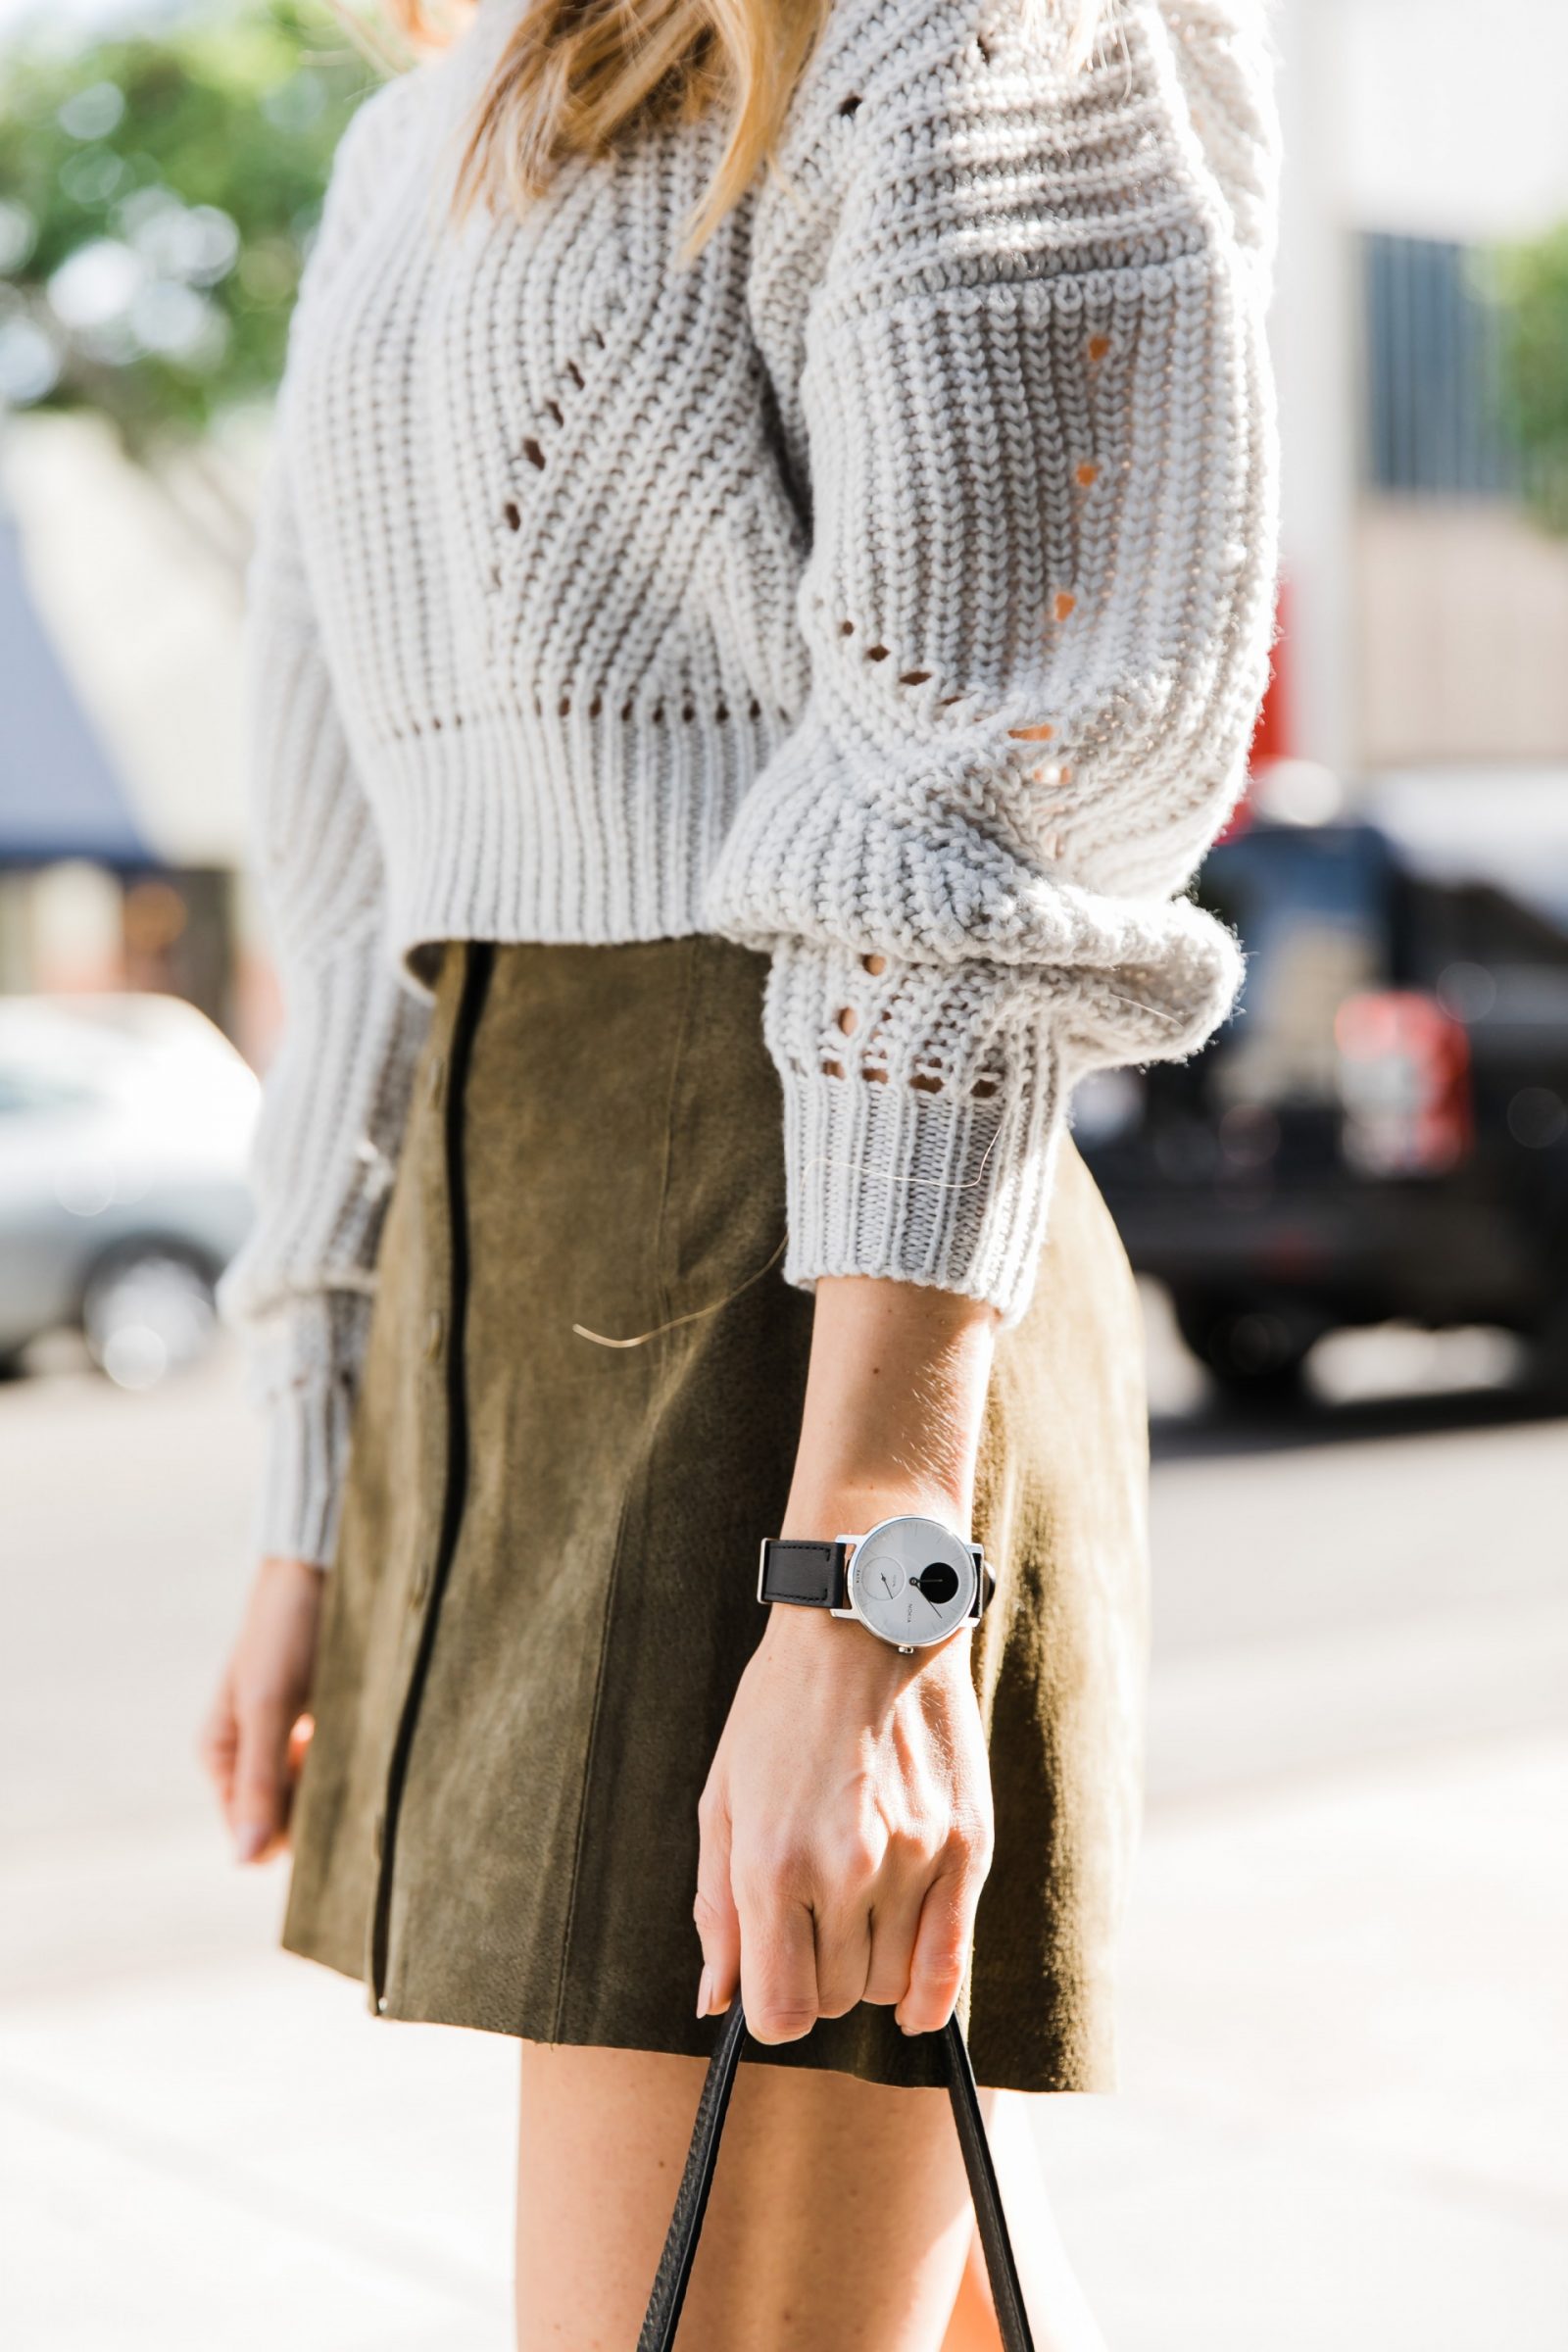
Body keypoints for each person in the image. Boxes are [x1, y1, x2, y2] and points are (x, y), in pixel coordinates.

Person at [200, 0, 1280, 2342]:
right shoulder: (425, 118)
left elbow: (975, 792)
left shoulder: (945, 29)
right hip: (514, 1294)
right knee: (857, 2279)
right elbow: (340, 865)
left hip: (809, 1269)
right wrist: (313, 1477)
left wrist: (865, 1596)